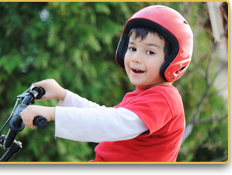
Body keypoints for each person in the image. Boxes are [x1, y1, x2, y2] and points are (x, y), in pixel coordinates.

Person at [20, 5, 193, 162]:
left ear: (173, 60)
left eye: (150, 51)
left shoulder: (164, 99)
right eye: (132, 48)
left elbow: (110, 124)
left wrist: (54, 113)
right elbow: (104, 116)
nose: (136, 58)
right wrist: (63, 95)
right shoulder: (143, 96)